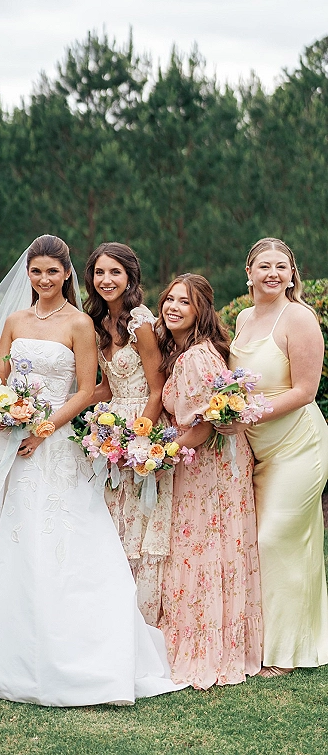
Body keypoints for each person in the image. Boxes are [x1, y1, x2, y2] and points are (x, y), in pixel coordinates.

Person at [0, 235, 185, 705]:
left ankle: (56, 650)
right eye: (36, 271)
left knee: (51, 540)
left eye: (52, 271)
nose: (43, 279)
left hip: (52, 442)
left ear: (67, 273)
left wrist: (43, 429)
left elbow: (86, 390)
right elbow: (0, 380)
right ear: (27, 274)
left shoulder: (80, 324)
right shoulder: (15, 320)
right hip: (4, 440)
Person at [225, 238, 328, 677]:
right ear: (248, 272)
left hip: (298, 446)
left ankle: (284, 654)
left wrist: (246, 412)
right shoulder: (246, 317)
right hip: (258, 448)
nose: (272, 273)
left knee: (275, 538)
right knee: (266, 543)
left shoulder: (299, 318)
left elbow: (305, 391)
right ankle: (270, 638)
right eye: (263, 266)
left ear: (292, 274)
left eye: (281, 266)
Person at [156, 273, 262, 689]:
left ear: (202, 310)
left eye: (185, 302)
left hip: (207, 469)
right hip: (205, 466)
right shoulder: (189, 353)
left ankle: (206, 647)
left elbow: (204, 425)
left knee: (203, 548)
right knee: (209, 550)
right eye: (169, 299)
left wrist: (160, 455)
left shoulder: (196, 357)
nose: (173, 307)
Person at [84, 242, 171, 627]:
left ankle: (144, 620)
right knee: (111, 520)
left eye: (114, 272)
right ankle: (111, 617)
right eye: (100, 273)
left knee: (138, 524)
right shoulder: (97, 321)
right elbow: (106, 387)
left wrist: (140, 440)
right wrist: (65, 404)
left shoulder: (140, 322)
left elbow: (157, 387)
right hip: (112, 425)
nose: (106, 280)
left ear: (130, 277)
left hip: (141, 425)